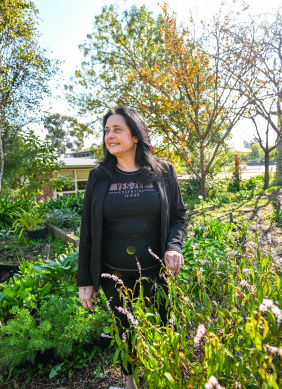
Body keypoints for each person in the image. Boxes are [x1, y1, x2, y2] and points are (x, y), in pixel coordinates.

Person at [77, 106, 186, 389]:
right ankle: (130, 384)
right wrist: (85, 280)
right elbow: (87, 231)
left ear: (135, 135)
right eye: (106, 130)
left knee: (163, 329)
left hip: (156, 273)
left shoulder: (163, 171)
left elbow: (177, 215)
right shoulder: (99, 177)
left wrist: (174, 246)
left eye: (117, 129)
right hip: (114, 276)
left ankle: (160, 380)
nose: (109, 136)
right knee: (124, 333)